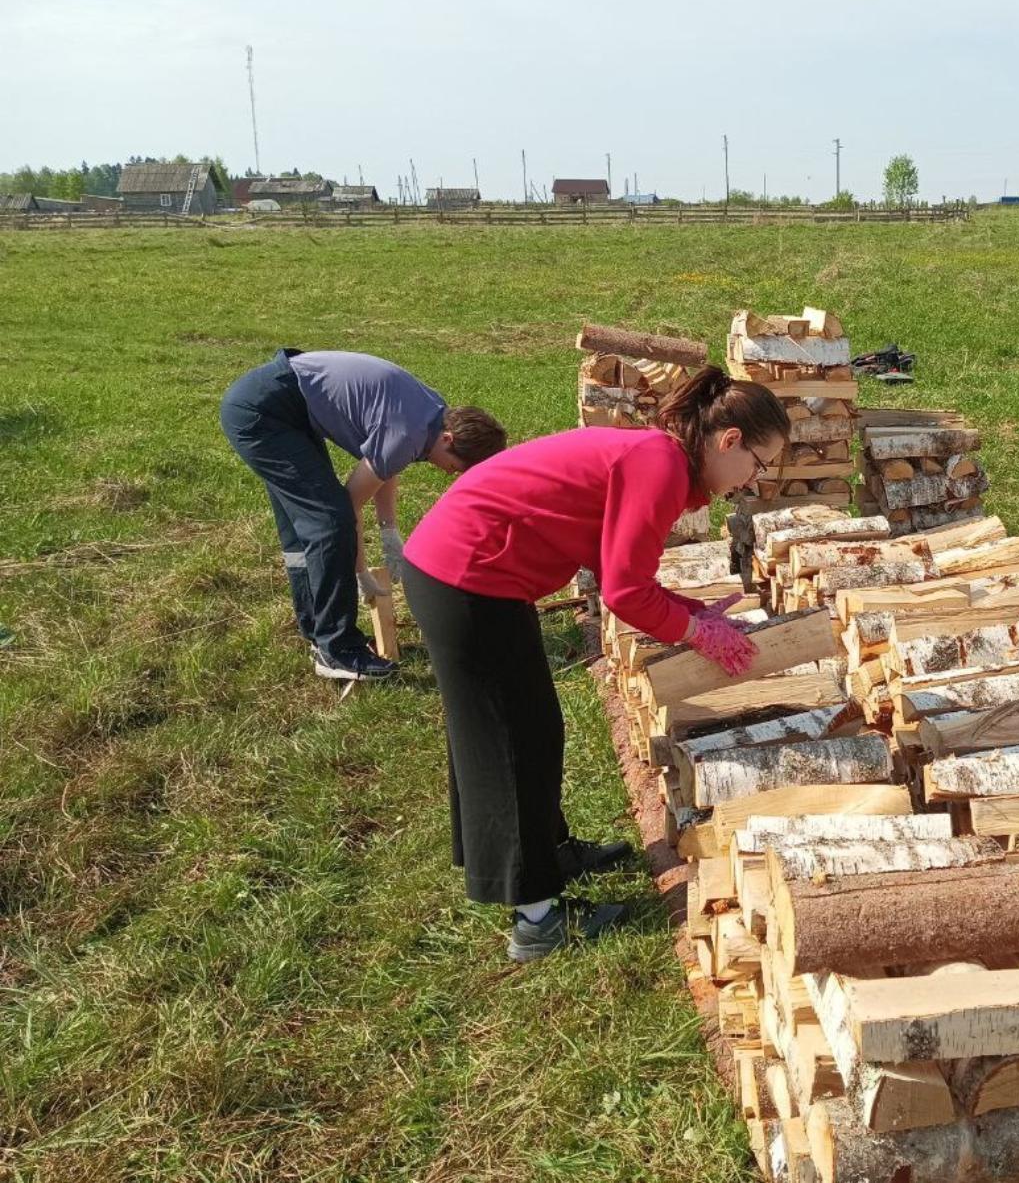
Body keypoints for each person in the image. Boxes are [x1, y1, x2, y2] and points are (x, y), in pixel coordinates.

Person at [402, 366, 791, 962]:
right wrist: (697, 633)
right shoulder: (658, 466)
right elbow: (625, 596)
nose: (754, 481)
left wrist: (694, 614)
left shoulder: (662, 460)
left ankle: (549, 853)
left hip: (474, 574)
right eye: (759, 464)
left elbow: (623, 572)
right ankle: (536, 920)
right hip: (466, 577)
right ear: (729, 440)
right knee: (507, 741)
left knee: (529, 730)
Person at [219, 348, 507, 681]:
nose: (450, 474)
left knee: (304, 530)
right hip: (262, 412)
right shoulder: (408, 432)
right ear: (448, 439)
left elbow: (387, 464)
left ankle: (317, 629)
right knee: (329, 521)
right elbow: (349, 506)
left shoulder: (432, 414)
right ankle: (337, 650)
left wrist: (389, 529)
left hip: (281, 403)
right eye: (455, 467)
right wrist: (359, 572)